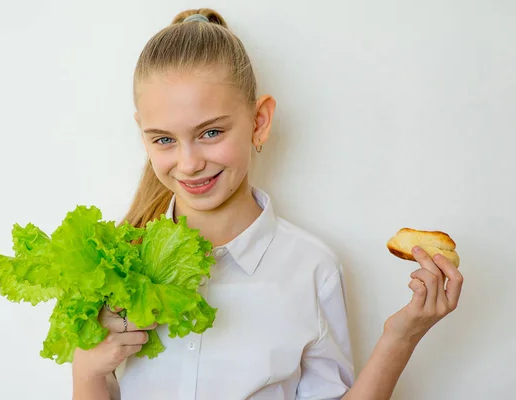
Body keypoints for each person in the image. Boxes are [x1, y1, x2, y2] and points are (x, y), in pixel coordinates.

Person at [71, 8, 464, 400]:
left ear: (259, 121)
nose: (189, 163)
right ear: (142, 133)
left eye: (210, 132)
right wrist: (86, 373)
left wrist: (401, 337)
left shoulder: (313, 270)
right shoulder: (114, 263)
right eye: (163, 139)